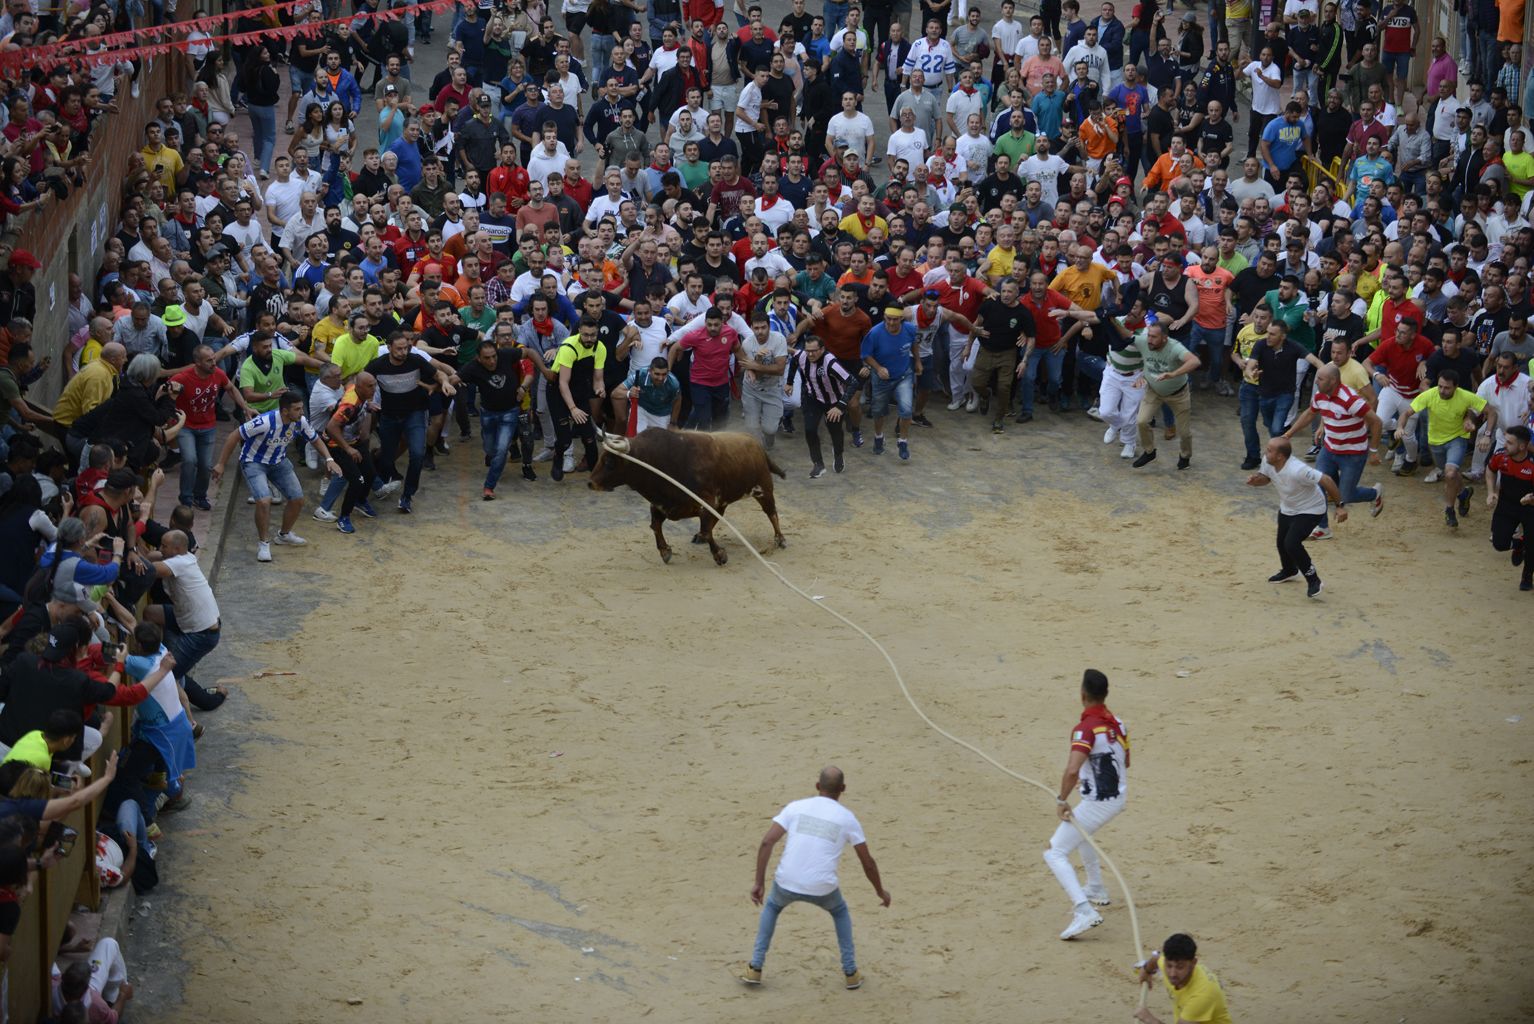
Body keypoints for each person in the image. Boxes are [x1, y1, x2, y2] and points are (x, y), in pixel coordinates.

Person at [739, 765, 891, 990]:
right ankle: (850, 972)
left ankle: (755, 967)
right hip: (822, 887)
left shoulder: (795, 807)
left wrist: (759, 882)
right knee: (839, 912)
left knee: (771, 907)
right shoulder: (847, 818)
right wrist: (880, 891)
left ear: (818, 786)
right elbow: (867, 862)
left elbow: (767, 842)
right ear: (843, 789)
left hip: (786, 882)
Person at [1045, 668, 1128, 941]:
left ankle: (1084, 910)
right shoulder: (1117, 723)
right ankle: (1095, 888)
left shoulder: (1085, 728)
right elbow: (1124, 762)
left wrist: (1061, 799)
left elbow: (1071, 770)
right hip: (1116, 795)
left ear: (1082, 695)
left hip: (1100, 802)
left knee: (1055, 851)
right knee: (1081, 832)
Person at [210, 390, 340, 563]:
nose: (302, 413)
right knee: (264, 501)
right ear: (285, 411)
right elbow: (234, 436)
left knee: (297, 499)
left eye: (302, 408)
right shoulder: (264, 422)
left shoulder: (300, 422)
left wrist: (329, 459)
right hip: (253, 462)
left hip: (279, 462)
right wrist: (221, 464)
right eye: (297, 409)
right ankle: (264, 543)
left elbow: (315, 439)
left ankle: (284, 535)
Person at [1246, 435, 1347, 598]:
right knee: (1281, 543)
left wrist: (1340, 506)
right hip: (1288, 507)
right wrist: (1255, 481)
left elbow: (1327, 480)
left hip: (1311, 509)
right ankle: (1289, 571)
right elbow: (1266, 478)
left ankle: (1314, 580)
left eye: (1270, 450)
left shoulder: (1298, 470)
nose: (1266, 451)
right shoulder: (1268, 460)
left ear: (1280, 456)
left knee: (1291, 543)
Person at [1398, 369, 1495, 529]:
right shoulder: (1430, 394)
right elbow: (1407, 412)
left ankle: (1449, 509)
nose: (1442, 391)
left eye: (1447, 388)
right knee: (1452, 476)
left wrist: (1487, 434)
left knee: (1450, 474)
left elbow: (1491, 412)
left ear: (1456, 387)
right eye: (1440, 386)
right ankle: (1463, 493)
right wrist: (1400, 427)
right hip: (1435, 443)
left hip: (1457, 439)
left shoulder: (1465, 396)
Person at [1130, 321, 1201, 470]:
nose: (1149, 340)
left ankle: (1185, 455)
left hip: (1178, 394)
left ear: (1164, 338)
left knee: (1184, 433)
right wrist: (1110, 319)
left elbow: (1195, 361)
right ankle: (1149, 451)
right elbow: (1125, 335)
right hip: (1153, 391)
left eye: (1154, 337)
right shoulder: (1144, 341)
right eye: (1149, 335)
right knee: (1141, 421)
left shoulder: (1175, 347)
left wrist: (1173, 374)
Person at [784, 335, 855, 477]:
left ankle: (838, 453)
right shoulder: (802, 355)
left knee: (835, 431)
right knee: (810, 430)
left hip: (834, 401)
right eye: (807, 350)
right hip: (813, 399)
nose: (810, 354)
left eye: (814, 351)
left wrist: (840, 406)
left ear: (822, 349)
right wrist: (790, 382)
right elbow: (794, 361)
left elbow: (853, 382)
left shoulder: (831, 363)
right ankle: (818, 464)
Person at [1132, 932, 1234, 1024]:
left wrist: (1150, 1019)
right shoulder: (1167, 962)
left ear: (1193, 963)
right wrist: (1146, 970)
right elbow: (1156, 959)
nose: (1172, 974)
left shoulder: (1203, 993)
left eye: (1180, 967)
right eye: (1169, 966)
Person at [860, 307, 920, 459]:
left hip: (903, 375)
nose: (891, 322)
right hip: (881, 379)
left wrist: (918, 361)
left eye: (895, 319)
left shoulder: (910, 329)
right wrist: (878, 368)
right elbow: (866, 355)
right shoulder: (875, 333)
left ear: (901, 319)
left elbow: (914, 344)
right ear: (884, 317)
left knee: (906, 410)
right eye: (888, 318)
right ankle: (879, 437)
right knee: (878, 411)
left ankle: (903, 441)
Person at [1484, 425, 1534, 591]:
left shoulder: (1532, 463)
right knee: (1499, 543)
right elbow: (1490, 471)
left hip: (1530, 508)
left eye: (1509, 443)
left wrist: (1531, 498)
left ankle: (1527, 576)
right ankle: (1518, 543)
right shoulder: (1500, 456)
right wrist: (1491, 492)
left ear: (1522, 446)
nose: (1505, 445)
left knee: (1532, 544)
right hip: (1506, 504)